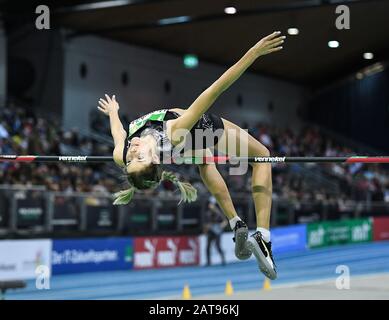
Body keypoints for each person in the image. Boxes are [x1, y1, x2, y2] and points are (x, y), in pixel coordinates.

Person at [97, 31, 285, 279]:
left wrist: (113, 111)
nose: (132, 153)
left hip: (186, 146)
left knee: (205, 163)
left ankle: (236, 223)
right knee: (262, 156)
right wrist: (253, 54)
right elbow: (215, 90)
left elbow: (118, 132)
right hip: (199, 129)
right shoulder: (174, 131)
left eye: (131, 160)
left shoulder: (122, 154)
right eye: (139, 158)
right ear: (153, 160)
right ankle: (263, 236)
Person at [205, 197, 227, 266]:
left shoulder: (219, 213)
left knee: (218, 246)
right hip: (210, 231)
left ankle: (223, 260)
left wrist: (220, 226)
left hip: (217, 231)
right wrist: (207, 228)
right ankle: (208, 262)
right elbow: (207, 223)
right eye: (209, 204)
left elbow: (225, 222)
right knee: (208, 247)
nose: (210, 205)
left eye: (211, 204)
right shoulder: (207, 213)